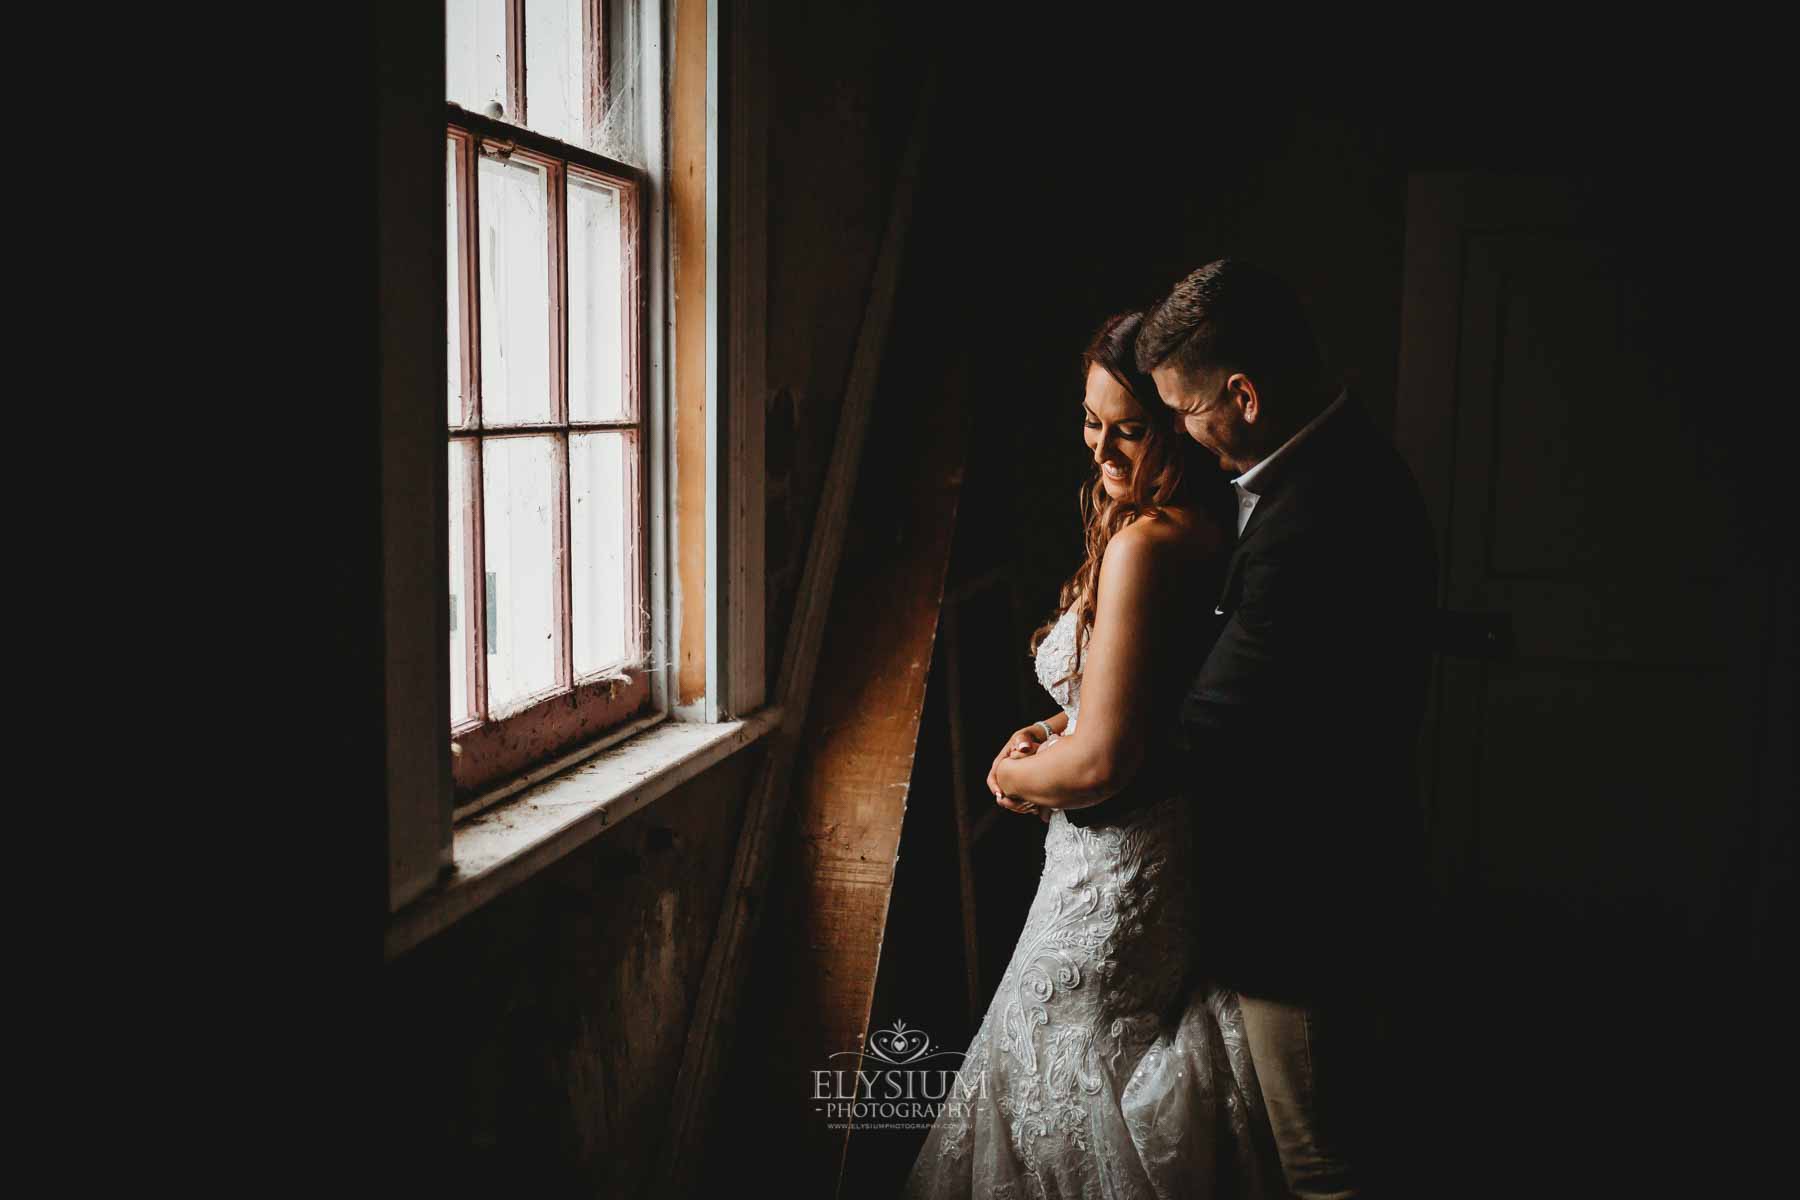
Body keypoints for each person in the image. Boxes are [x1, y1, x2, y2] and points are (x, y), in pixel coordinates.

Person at [900, 311, 1288, 1199]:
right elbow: (1148, 701)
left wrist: (1010, 773)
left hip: (1110, 871)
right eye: (1090, 421)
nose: (1104, 451)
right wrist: (1056, 729)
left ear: (1179, 424)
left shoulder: (1148, 544)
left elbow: (1106, 760)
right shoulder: (1207, 521)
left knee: (1058, 1073)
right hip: (1165, 854)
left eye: (1131, 428)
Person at [1134, 259, 1438, 1199]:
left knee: (1323, 1167)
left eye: (1187, 410)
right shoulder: (1339, 467)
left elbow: (1216, 722)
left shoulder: (1324, 512)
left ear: (1246, 395)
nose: (1183, 433)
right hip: (1327, 877)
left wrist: (1088, 749)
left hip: (1307, 904)